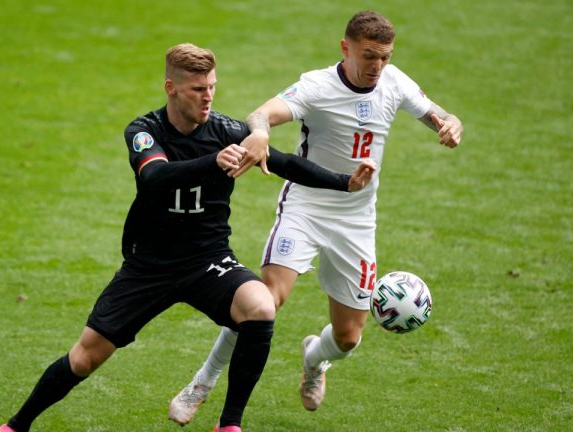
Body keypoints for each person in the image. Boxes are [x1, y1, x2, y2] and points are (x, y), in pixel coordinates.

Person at [0, 43, 375, 432]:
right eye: (197, 89)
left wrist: (344, 183)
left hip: (207, 260)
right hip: (150, 265)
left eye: (211, 86)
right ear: (170, 88)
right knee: (84, 358)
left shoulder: (228, 130)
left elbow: (285, 164)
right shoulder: (144, 131)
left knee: (261, 306)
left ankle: (230, 425)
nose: (207, 96)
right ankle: (15, 425)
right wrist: (212, 162)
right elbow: (155, 177)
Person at [168, 10, 463, 425]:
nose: (377, 66)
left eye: (386, 57)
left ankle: (314, 360)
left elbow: (442, 115)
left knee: (347, 337)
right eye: (369, 56)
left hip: (357, 220)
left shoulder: (395, 83)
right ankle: (203, 382)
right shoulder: (317, 86)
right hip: (305, 207)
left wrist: (450, 126)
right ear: (346, 48)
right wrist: (260, 133)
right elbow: (261, 114)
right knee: (262, 301)